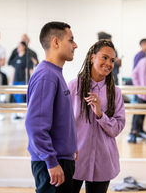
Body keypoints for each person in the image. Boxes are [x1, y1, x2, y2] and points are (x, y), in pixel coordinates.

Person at [25, 21, 78, 193]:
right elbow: (35, 125)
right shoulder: (46, 76)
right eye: (71, 40)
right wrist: (51, 161)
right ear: (56, 42)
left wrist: (70, 147)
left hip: (61, 158)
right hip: (53, 163)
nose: (75, 45)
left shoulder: (54, 73)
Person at [68, 40, 125, 193]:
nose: (109, 63)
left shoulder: (115, 92)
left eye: (112, 60)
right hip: (74, 160)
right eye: (104, 57)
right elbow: (63, 124)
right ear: (92, 58)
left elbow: (117, 128)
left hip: (103, 161)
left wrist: (100, 114)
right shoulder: (73, 87)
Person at [129, 38, 146, 142]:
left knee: (143, 110)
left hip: (144, 88)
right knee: (138, 110)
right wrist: (138, 87)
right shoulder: (140, 56)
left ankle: (140, 129)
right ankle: (134, 131)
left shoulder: (145, 56)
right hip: (139, 88)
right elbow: (135, 73)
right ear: (144, 44)